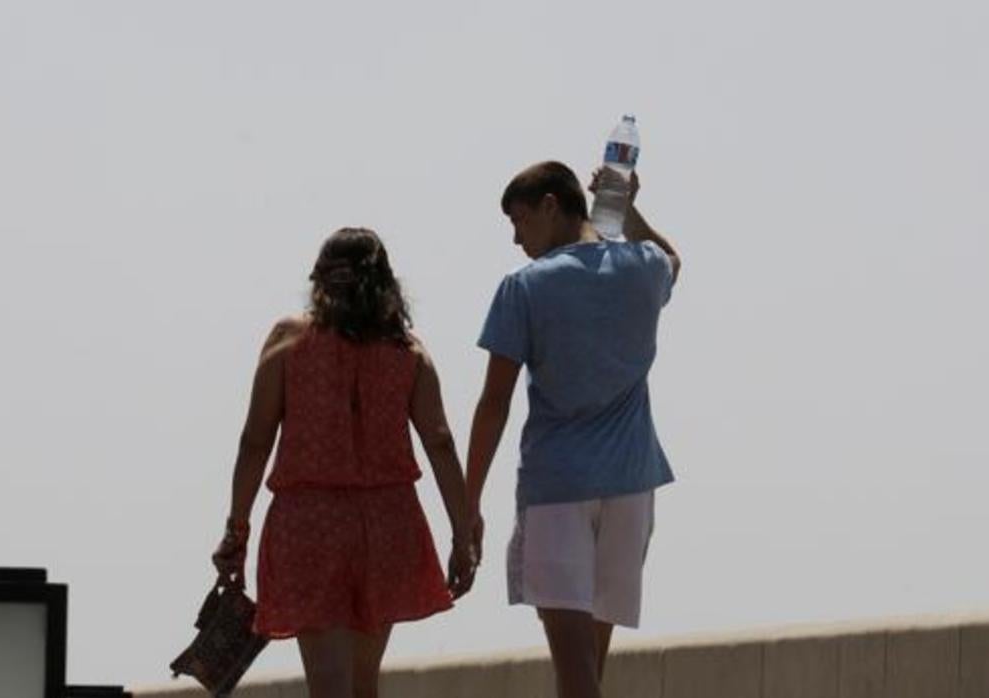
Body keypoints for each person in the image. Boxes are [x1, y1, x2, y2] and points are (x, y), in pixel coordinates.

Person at [211, 227, 476, 698]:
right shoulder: (407, 351)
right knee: (362, 685)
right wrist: (463, 532)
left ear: (320, 280)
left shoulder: (289, 340)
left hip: (310, 522)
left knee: (329, 687)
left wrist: (237, 530)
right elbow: (440, 442)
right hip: (389, 522)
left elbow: (255, 441)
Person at [463, 162, 681, 698]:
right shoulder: (642, 267)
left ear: (551, 206)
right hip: (631, 488)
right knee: (588, 665)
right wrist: (627, 209)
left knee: (573, 661)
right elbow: (672, 258)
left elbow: (494, 403)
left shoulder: (525, 287)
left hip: (558, 489)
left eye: (519, 222)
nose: (516, 239)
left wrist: (466, 504)